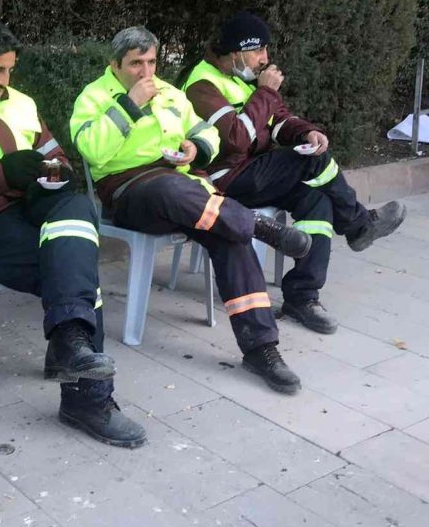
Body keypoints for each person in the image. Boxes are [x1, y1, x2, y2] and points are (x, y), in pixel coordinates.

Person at [0, 21, 147, 447]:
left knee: (77, 211)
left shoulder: (21, 103)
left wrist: (57, 175)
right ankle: (84, 394)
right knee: (77, 266)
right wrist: (2, 173)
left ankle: (71, 349)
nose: (6, 81)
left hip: (28, 208)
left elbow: (53, 155)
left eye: (10, 70)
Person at [71, 26, 311, 394]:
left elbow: (208, 133)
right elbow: (91, 149)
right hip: (128, 191)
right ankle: (256, 224)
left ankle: (262, 348)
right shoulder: (93, 96)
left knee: (229, 235)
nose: (146, 72)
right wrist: (129, 105)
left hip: (188, 190)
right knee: (176, 190)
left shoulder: (169, 92)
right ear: (115, 64)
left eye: (151, 61)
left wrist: (195, 148)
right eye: (136, 63)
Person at [180, 12, 406, 335]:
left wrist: (307, 133)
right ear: (236, 52)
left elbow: (279, 120)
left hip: (255, 172)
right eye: (259, 51)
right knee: (312, 162)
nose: (265, 58)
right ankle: (358, 224)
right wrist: (265, 93)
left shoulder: (243, 81)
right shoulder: (202, 85)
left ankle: (302, 296)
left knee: (315, 199)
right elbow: (234, 141)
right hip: (223, 180)